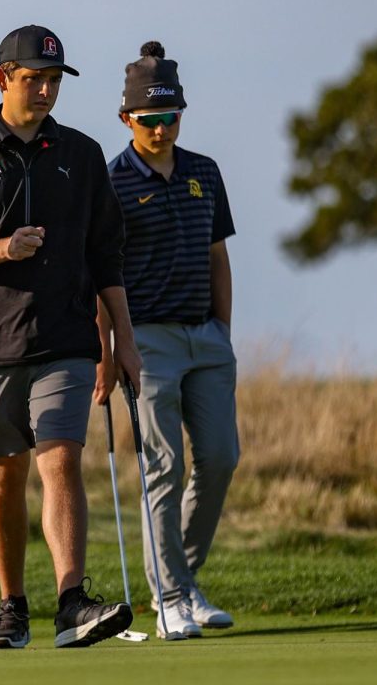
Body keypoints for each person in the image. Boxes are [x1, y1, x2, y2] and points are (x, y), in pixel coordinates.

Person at [0, 25, 141, 650]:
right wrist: (0, 250)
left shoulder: (82, 153)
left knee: (62, 461)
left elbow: (106, 254)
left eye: (54, 80)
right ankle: (11, 604)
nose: (45, 90)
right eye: (33, 79)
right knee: (4, 472)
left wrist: (121, 338)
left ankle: (71, 602)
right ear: (3, 80)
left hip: (66, 339)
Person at [96, 42, 239, 640]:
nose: (160, 129)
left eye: (170, 117)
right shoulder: (111, 183)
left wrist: (223, 334)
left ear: (183, 113)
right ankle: (172, 596)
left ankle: (181, 580)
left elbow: (218, 258)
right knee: (163, 467)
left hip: (205, 339)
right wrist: (107, 354)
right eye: (149, 120)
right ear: (127, 119)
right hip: (145, 341)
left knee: (219, 458)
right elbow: (100, 276)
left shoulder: (205, 172)